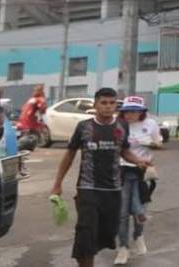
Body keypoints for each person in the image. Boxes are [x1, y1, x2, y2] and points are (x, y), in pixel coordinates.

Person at [50, 88, 150, 267]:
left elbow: (124, 151)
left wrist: (138, 161)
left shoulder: (121, 126)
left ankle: (88, 254)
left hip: (113, 190)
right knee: (86, 234)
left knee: (107, 233)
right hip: (88, 189)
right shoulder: (84, 127)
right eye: (103, 103)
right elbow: (69, 155)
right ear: (95, 105)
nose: (108, 107)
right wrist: (58, 184)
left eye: (112, 103)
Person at [114, 96, 162, 265]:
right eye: (127, 111)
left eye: (134, 111)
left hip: (143, 171)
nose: (130, 114)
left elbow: (159, 144)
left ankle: (138, 235)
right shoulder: (118, 124)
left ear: (142, 111)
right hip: (122, 170)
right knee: (122, 213)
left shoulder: (150, 124)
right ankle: (123, 248)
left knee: (139, 211)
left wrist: (150, 143)